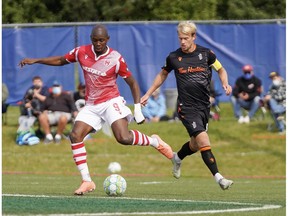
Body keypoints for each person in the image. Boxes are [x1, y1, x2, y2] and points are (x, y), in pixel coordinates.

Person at [18, 24, 173, 195]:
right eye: (95, 40)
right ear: (91, 39)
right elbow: (61, 60)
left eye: (101, 40)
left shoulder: (115, 58)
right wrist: (36, 60)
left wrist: (137, 109)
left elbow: (133, 83)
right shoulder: (81, 52)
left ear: (107, 40)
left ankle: (155, 142)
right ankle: (87, 181)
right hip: (91, 105)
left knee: (123, 137)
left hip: (111, 101)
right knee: (75, 135)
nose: (98, 43)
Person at [141, 21, 233, 190]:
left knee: (196, 144)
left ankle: (177, 158)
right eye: (180, 38)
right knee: (203, 139)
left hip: (204, 107)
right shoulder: (174, 57)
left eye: (185, 38)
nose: (182, 42)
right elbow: (162, 75)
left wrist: (225, 83)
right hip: (186, 107)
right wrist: (147, 94)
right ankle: (219, 178)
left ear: (193, 37)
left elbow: (221, 69)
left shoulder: (206, 54)